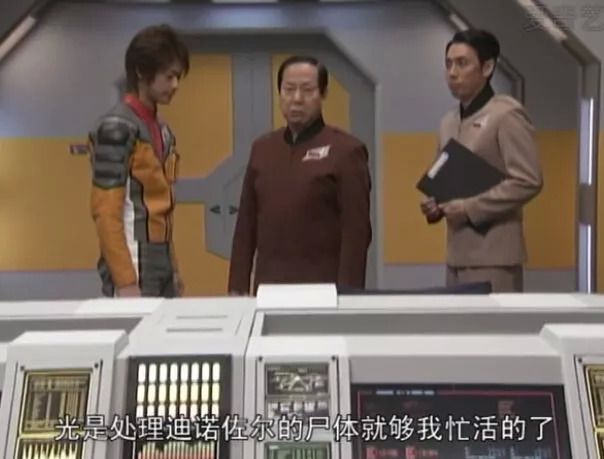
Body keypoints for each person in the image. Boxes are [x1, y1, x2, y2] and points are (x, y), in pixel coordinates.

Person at [228, 55, 372, 295]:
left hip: (323, 291)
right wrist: (237, 287)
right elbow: (246, 225)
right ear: (279, 93)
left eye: (307, 90)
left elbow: (356, 235)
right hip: (269, 288)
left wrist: (349, 295)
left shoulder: (346, 151)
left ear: (323, 94)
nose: (296, 98)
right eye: (289, 89)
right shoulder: (263, 148)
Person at [420, 29, 543, 293]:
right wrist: (434, 203)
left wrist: (470, 208)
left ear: (487, 68)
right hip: (456, 256)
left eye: (462, 63)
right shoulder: (448, 121)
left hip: (495, 257)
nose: (452, 72)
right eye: (448, 64)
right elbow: (442, 175)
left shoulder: (506, 114)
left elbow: (528, 180)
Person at [89, 24, 189, 297]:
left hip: (161, 258)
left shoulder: (163, 131)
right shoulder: (116, 128)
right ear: (142, 72)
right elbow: (106, 212)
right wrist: (125, 281)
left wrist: (173, 268)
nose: (175, 85)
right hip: (133, 255)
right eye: (169, 76)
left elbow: (162, 207)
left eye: (178, 77)